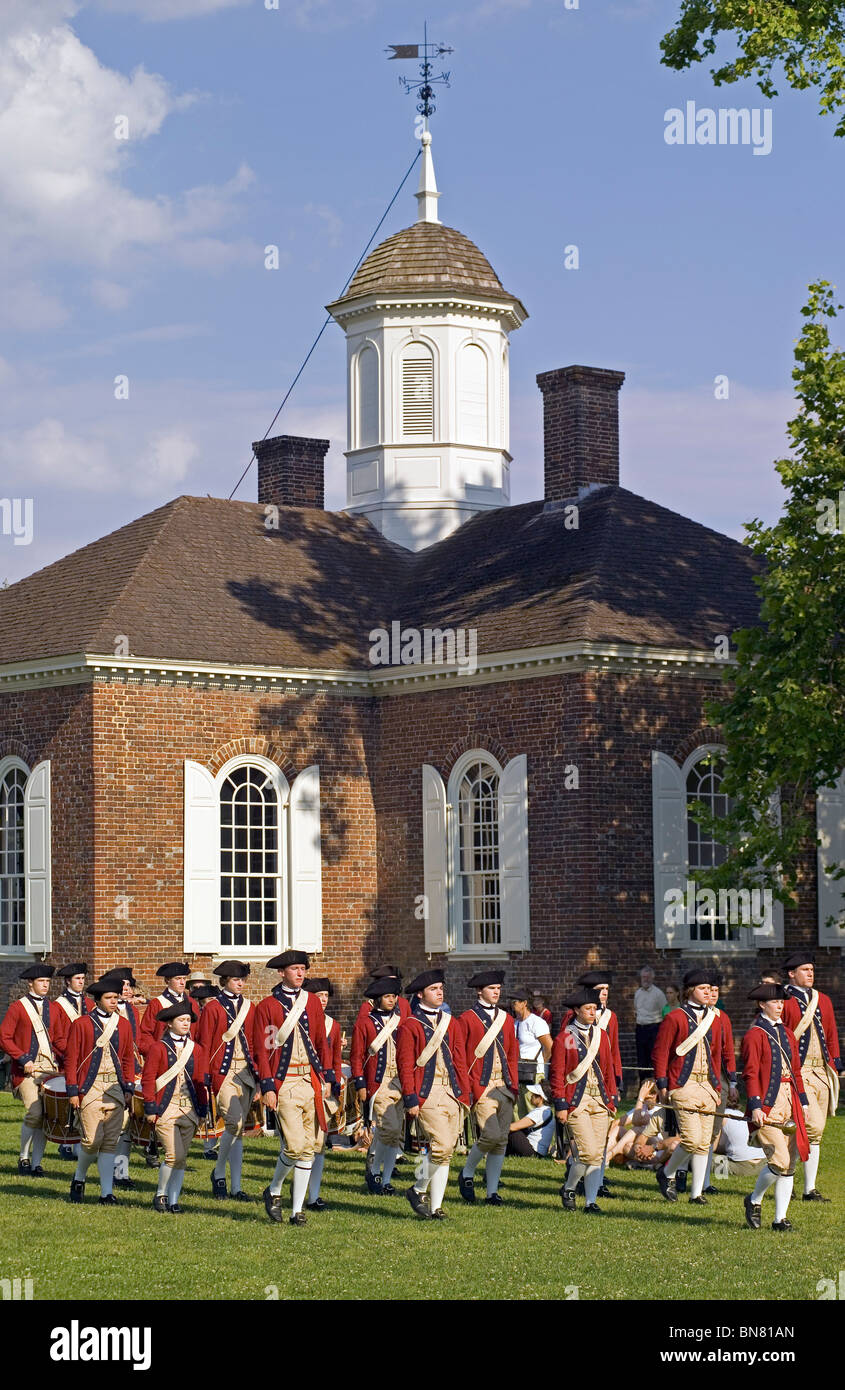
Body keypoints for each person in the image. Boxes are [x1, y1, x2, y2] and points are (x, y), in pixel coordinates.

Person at [256, 950, 337, 1228]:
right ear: (282, 972)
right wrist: (268, 1086)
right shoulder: (267, 1006)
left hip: (310, 1080)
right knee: (293, 1145)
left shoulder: (312, 1002)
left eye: (303, 968)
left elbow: (320, 1043)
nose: (300, 973)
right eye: (295, 969)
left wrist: (325, 1077)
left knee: (311, 1148)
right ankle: (275, 1188)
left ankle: (297, 1210)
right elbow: (263, 1050)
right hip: (285, 1082)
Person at [396, 968, 470, 1220]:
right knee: (441, 1145)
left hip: (451, 1091)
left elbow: (460, 1060)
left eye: (441, 988)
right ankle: (417, 1189)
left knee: (445, 1152)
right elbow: (405, 1065)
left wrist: (465, 1092)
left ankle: (436, 1206)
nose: (439, 992)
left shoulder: (452, 1023)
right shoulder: (410, 1025)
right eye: (433, 989)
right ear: (421, 994)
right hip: (427, 1093)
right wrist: (410, 1097)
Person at [741, 982, 810, 1232]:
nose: (780, 1006)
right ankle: (754, 1199)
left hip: (789, 1099)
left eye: (782, 1002)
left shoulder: (788, 1033)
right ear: (762, 1005)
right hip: (767, 1105)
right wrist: (756, 1106)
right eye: (775, 1002)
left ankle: (779, 1219)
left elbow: (796, 1071)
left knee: (790, 1163)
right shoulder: (754, 1035)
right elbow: (750, 1074)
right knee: (779, 1160)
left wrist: (803, 1101)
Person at [652, 967, 724, 1205]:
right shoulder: (675, 1017)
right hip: (683, 1084)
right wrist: (662, 1083)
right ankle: (667, 1172)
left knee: (704, 1143)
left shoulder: (713, 1018)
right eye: (702, 988)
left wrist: (717, 1086)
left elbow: (715, 1055)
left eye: (708, 989)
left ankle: (696, 1194)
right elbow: (660, 1052)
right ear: (690, 991)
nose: (707, 992)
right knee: (692, 1140)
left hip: (707, 1085)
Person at [64, 976, 135, 1204]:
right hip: (90, 1088)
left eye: (116, 997)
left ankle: (106, 1193)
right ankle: (79, 1177)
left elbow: (127, 1059)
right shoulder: (82, 1024)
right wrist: (73, 1091)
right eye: (109, 998)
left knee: (110, 1142)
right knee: (91, 1141)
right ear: (97, 1000)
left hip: (114, 1088)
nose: (114, 1001)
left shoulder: (123, 1024)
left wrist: (128, 1087)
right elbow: (72, 1059)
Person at [781, 951, 843, 1203]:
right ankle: (796, 1183)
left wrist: (835, 1064)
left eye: (811, 970)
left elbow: (831, 1034)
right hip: (798, 1072)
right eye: (805, 970)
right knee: (807, 1128)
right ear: (791, 974)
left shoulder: (823, 1000)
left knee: (814, 1131)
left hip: (820, 1072)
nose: (810, 974)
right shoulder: (783, 1000)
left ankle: (806, 1187)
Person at [550, 985, 618, 1214]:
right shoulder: (567, 1038)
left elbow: (607, 1070)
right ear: (577, 1010)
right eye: (588, 1008)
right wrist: (560, 1103)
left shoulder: (602, 1035)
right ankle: (569, 1188)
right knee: (587, 1152)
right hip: (576, 1101)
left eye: (595, 1009)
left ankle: (590, 1201)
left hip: (599, 1100)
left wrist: (612, 1098)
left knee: (597, 1154)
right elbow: (558, 1073)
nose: (593, 1012)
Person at [196, 959, 257, 1203]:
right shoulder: (213, 1008)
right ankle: (219, 1172)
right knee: (233, 1122)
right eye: (235, 980)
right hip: (224, 1073)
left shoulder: (250, 1008)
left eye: (242, 980)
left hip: (246, 1073)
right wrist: (205, 1077)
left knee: (238, 1130)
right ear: (225, 982)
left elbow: (253, 1041)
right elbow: (205, 1044)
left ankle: (236, 1186)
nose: (240, 984)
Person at [457, 969, 520, 1206]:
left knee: (501, 1140)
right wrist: (469, 1088)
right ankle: (468, 1172)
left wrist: (513, 1086)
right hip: (481, 1086)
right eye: (492, 989)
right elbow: (461, 1057)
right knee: (491, 1134)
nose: (496, 992)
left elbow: (513, 1055)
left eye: (498, 989)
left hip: (504, 1086)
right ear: (479, 991)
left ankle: (492, 1191)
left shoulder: (507, 1019)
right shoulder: (467, 1018)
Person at [142, 1001, 210, 1214]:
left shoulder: (196, 1049)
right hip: (166, 1108)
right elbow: (148, 1079)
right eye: (181, 1020)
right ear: (169, 1023)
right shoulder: (158, 1048)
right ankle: (161, 1193)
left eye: (188, 1020)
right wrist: (150, 1107)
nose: (186, 1024)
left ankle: (174, 1200)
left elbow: (200, 1080)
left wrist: (202, 1109)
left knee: (182, 1158)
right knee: (173, 1156)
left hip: (189, 1109)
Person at [0, 963, 60, 1177]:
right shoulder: (18, 1007)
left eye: (47, 982)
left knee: (45, 1117)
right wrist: (23, 1058)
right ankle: (24, 1157)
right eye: (42, 982)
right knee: (34, 1113)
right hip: (26, 1071)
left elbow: (59, 1039)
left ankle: (36, 1163)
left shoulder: (53, 1008)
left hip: (49, 1068)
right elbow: (4, 1037)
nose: (45, 985)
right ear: (31, 984)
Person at [350, 975, 404, 1196]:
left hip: (399, 1083)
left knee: (393, 1134)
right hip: (378, 1083)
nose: (392, 1000)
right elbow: (356, 1057)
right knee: (388, 1129)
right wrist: (360, 1082)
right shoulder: (365, 1022)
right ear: (378, 998)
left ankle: (386, 1178)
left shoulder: (400, 1022)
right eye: (387, 996)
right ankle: (373, 1168)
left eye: (394, 996)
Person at [100, 968, 142, 1187]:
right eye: (122, 985)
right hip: (107, 1074)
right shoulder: (100, 1011)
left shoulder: (132, 1012)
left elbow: (136, 1042)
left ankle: (121, 1172)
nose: (127, 989)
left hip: (131, 1070)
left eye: (128, 985)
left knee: (126, 1126)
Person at [302, 976, 341, 1211]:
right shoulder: (301, 1020)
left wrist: (333, 1083)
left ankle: (314, 1195)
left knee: (319, 1143)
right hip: (302, 1084)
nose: (323, 1000)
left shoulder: (333, 1025)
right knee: (297, 1145)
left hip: (322, 1087)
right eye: (319, 996)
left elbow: (335, 1058)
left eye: (326, 996)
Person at [137, 962, 200, 1055]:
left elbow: (197, 1033)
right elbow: (145, 1033)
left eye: (184, 978)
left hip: (188, 1055)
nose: (182, 982)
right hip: (165, 1056)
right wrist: (157, 1052)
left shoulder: (192, 1003)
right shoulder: (157, 1003)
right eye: (178, 979)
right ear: (167, 980)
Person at [511, 989, 552, 1109]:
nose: (512, 1004)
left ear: (524, 1003)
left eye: (515, 1002)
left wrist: (540, 1063)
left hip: (534, 1073)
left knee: (532, 1107)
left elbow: (549, 1047)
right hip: (518, 1071)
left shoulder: (536, 1022)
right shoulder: (515, 1023)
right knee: (517, 1109)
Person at [633, 967, 667, 1082]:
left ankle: (655, 1089)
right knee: (641, 1059)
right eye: (643, 977)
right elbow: (636, 1011)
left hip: (654, 1029)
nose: (645, 979)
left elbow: (664, 1012)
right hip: (640, 1029)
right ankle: (642, 1087)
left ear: (652, 977)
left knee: (653, 1058)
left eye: (647, 977)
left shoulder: (658, 994)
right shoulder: (638, 993)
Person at [51, 963, 90, 1060]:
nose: (81, 982)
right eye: (77, 978)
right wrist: (71, 1052)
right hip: (67, 1056)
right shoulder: (57, 1006)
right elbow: (56, 1038)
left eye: (83, 978)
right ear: (68, 981)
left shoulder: (90, 1004)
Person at [507, 1084, 555, 1157]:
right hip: (539, 1152)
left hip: (533, 1151)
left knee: (513, 1133)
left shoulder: (540, 1112)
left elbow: (512, 1127)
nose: (531, 1096)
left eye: (534, 1095)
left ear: (540, 1098)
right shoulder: (547, 1111)